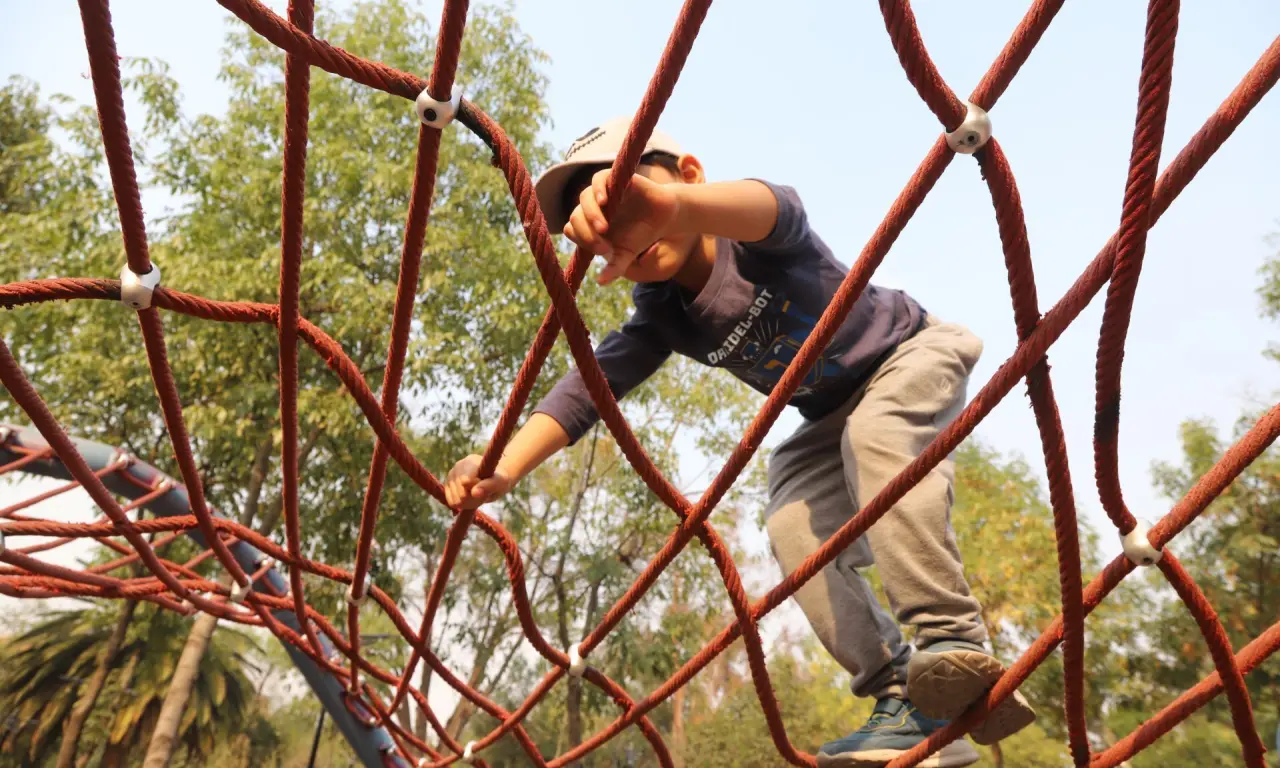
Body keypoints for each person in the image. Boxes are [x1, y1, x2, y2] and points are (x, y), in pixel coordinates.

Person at [444, 117, 1036, 767]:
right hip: (827, 415)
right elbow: (586, 390)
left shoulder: (753, 241)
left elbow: (778, 206)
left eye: (634, 191)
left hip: (911, 354)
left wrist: (674, 207)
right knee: (790, 525)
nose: (627, 222)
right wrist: (502, 465)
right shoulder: (662, 314)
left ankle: (953, 642)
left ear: (689, 175)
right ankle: (902, 697)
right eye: (605, 219)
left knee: (877, 438)